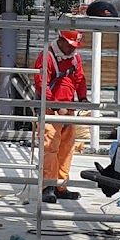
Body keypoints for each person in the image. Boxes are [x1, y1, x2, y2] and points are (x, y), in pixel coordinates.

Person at [34, 30, 88, 204]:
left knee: (66, 148)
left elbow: (79, 79)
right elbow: (41, 84)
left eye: (75, 46)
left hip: (68, 109)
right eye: (71, 45)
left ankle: (60, 186)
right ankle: (47, 187)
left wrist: (83, 98)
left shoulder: (74, 58)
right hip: (50, 110)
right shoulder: (47, 57)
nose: (73, 49)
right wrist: (55, 106)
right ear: (61, 40)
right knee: (50, 147)